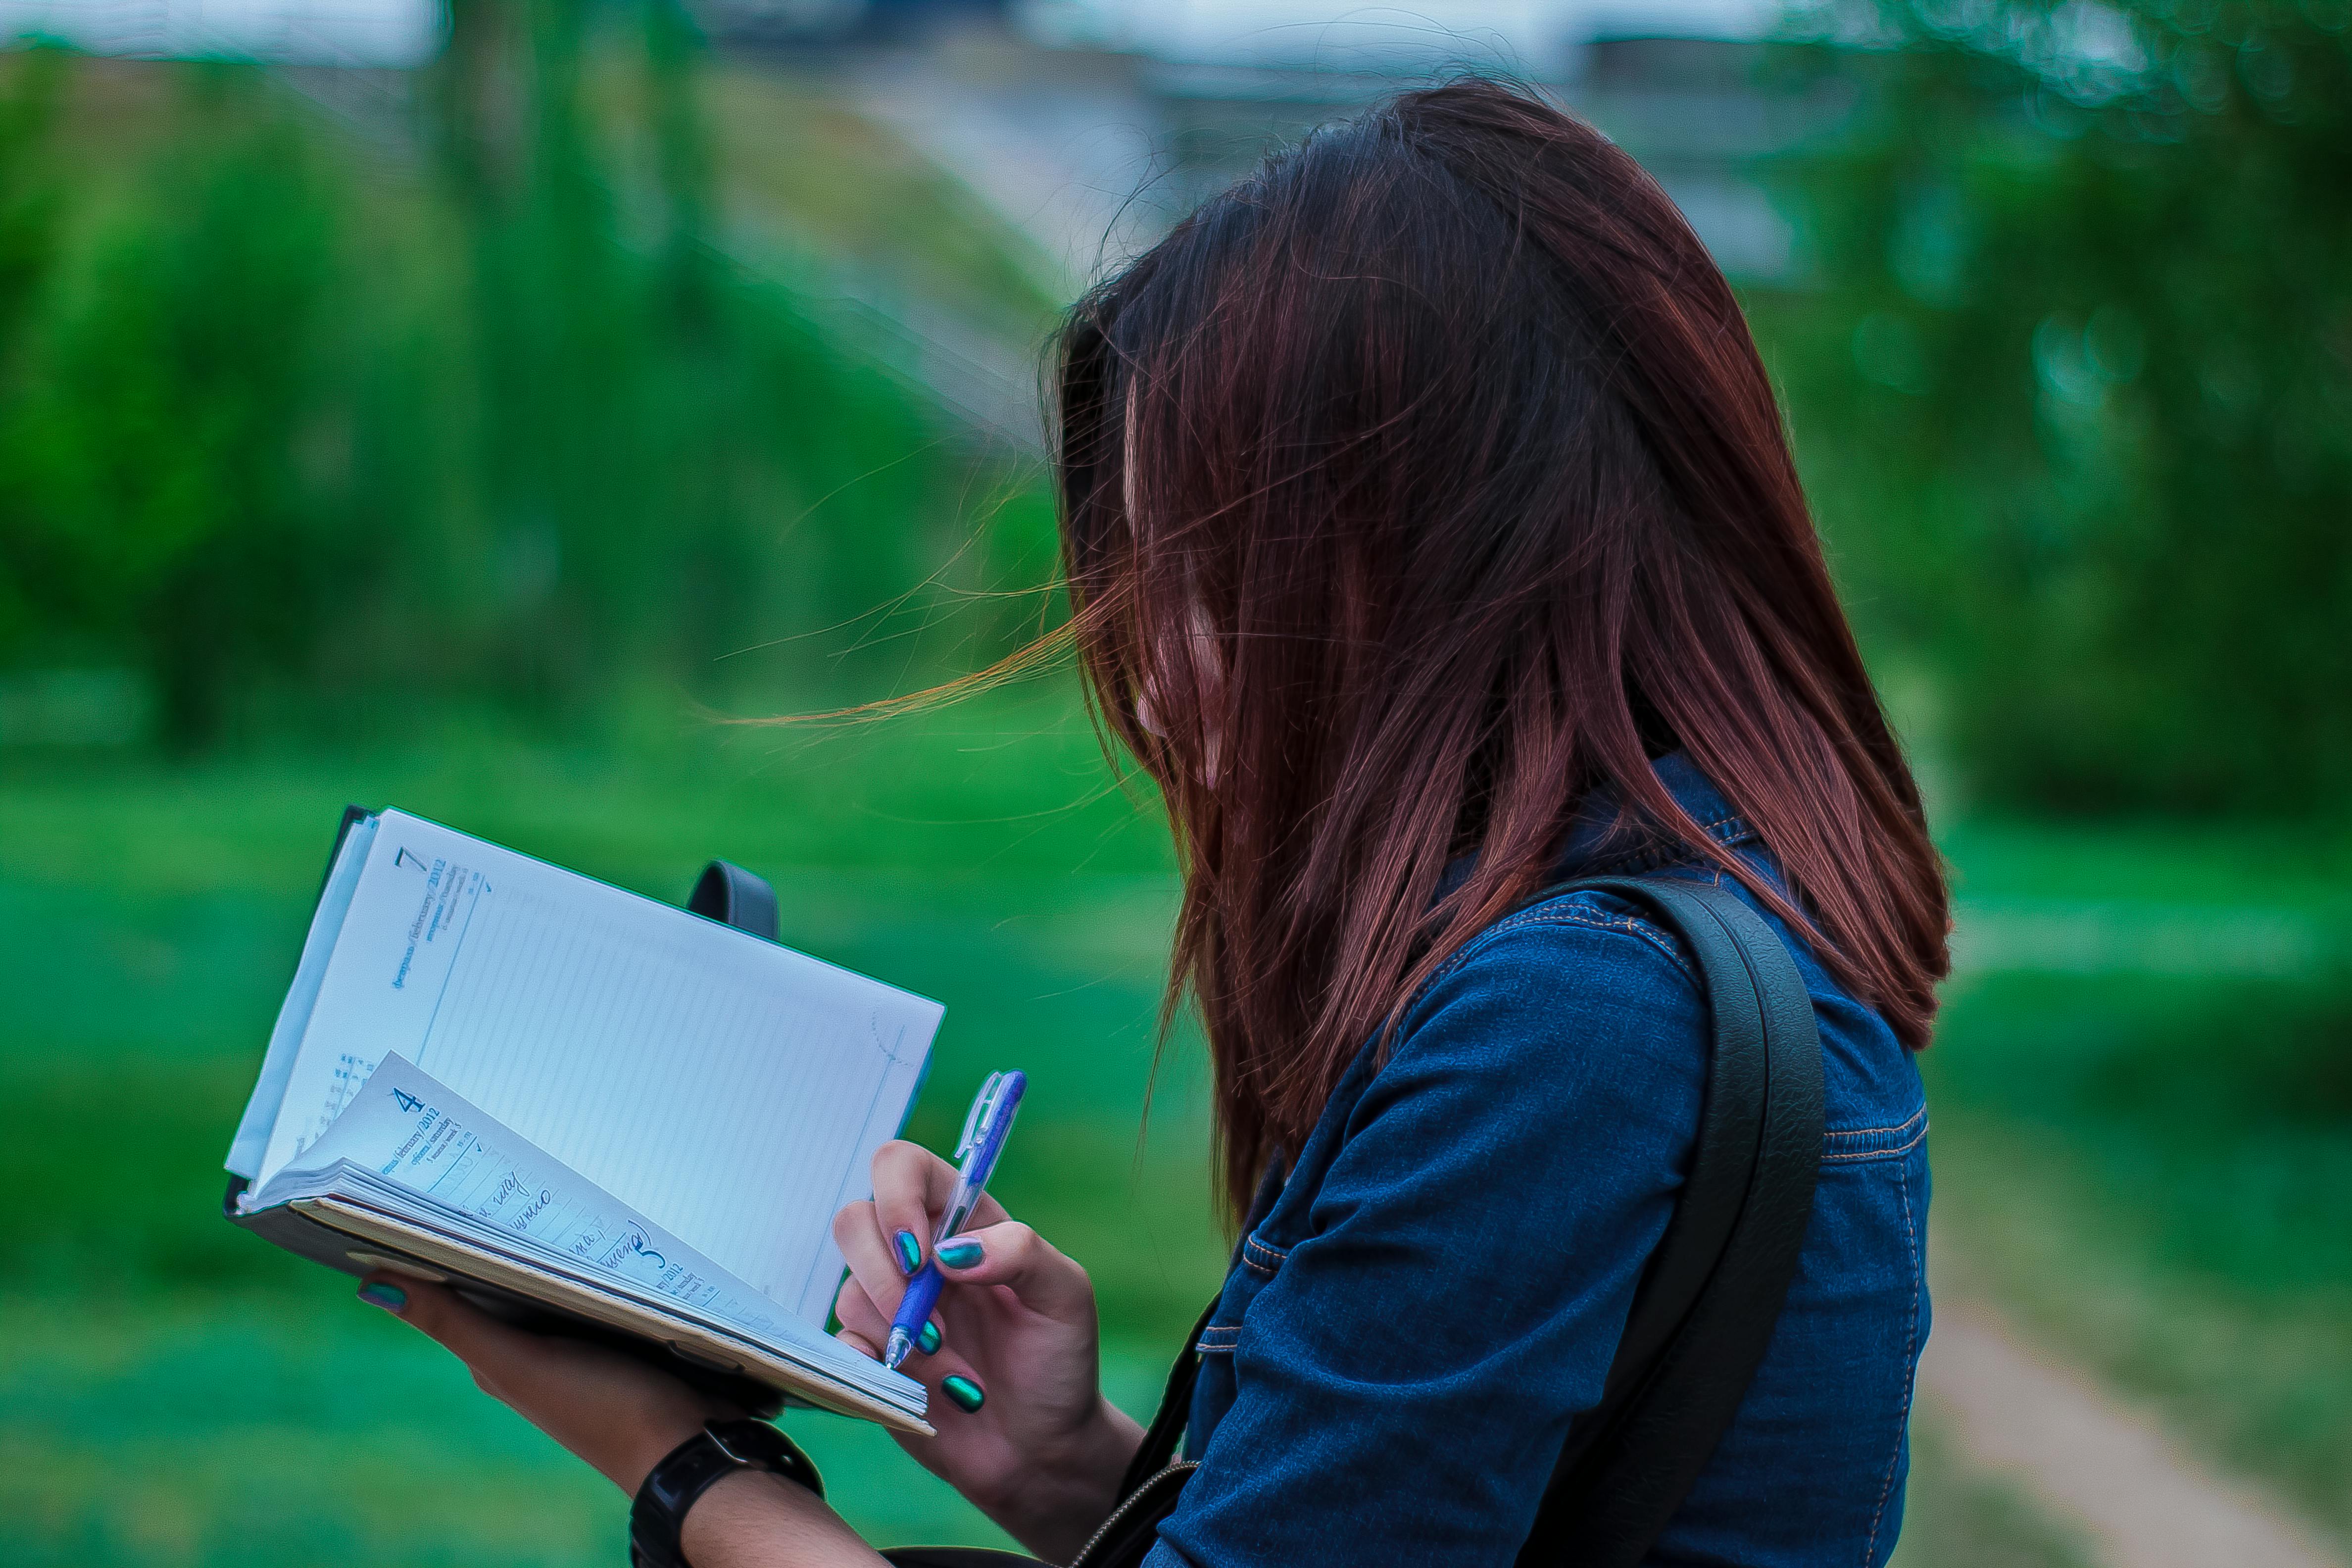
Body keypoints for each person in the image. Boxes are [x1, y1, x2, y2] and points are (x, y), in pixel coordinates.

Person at [359, 78, 1949, 1568]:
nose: (1156, 674)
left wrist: (688, 1468)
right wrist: (1077, 1467)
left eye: (1197, 578)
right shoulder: (1706, 934)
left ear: (1415, 548)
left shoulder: (1571, 1021)